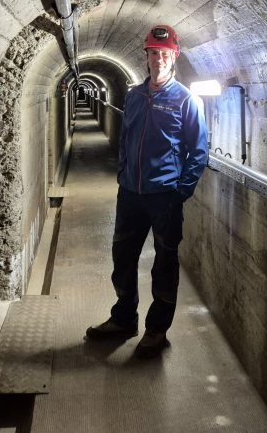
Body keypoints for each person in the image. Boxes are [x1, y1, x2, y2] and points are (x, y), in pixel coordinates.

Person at [86, 24, 209, 358]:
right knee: (122, 259)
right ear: (147, 57)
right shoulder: (135, 95)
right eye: (153, 54)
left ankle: (157, 330)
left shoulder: (186, 101)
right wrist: (124, 173)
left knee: (164, 264)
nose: (157, 60)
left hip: (164, 197)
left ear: (174, 57)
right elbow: (126, 138)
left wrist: (179, 192)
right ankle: (124, 319)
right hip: (130, 194)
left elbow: (198, 153)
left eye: (164, 54)